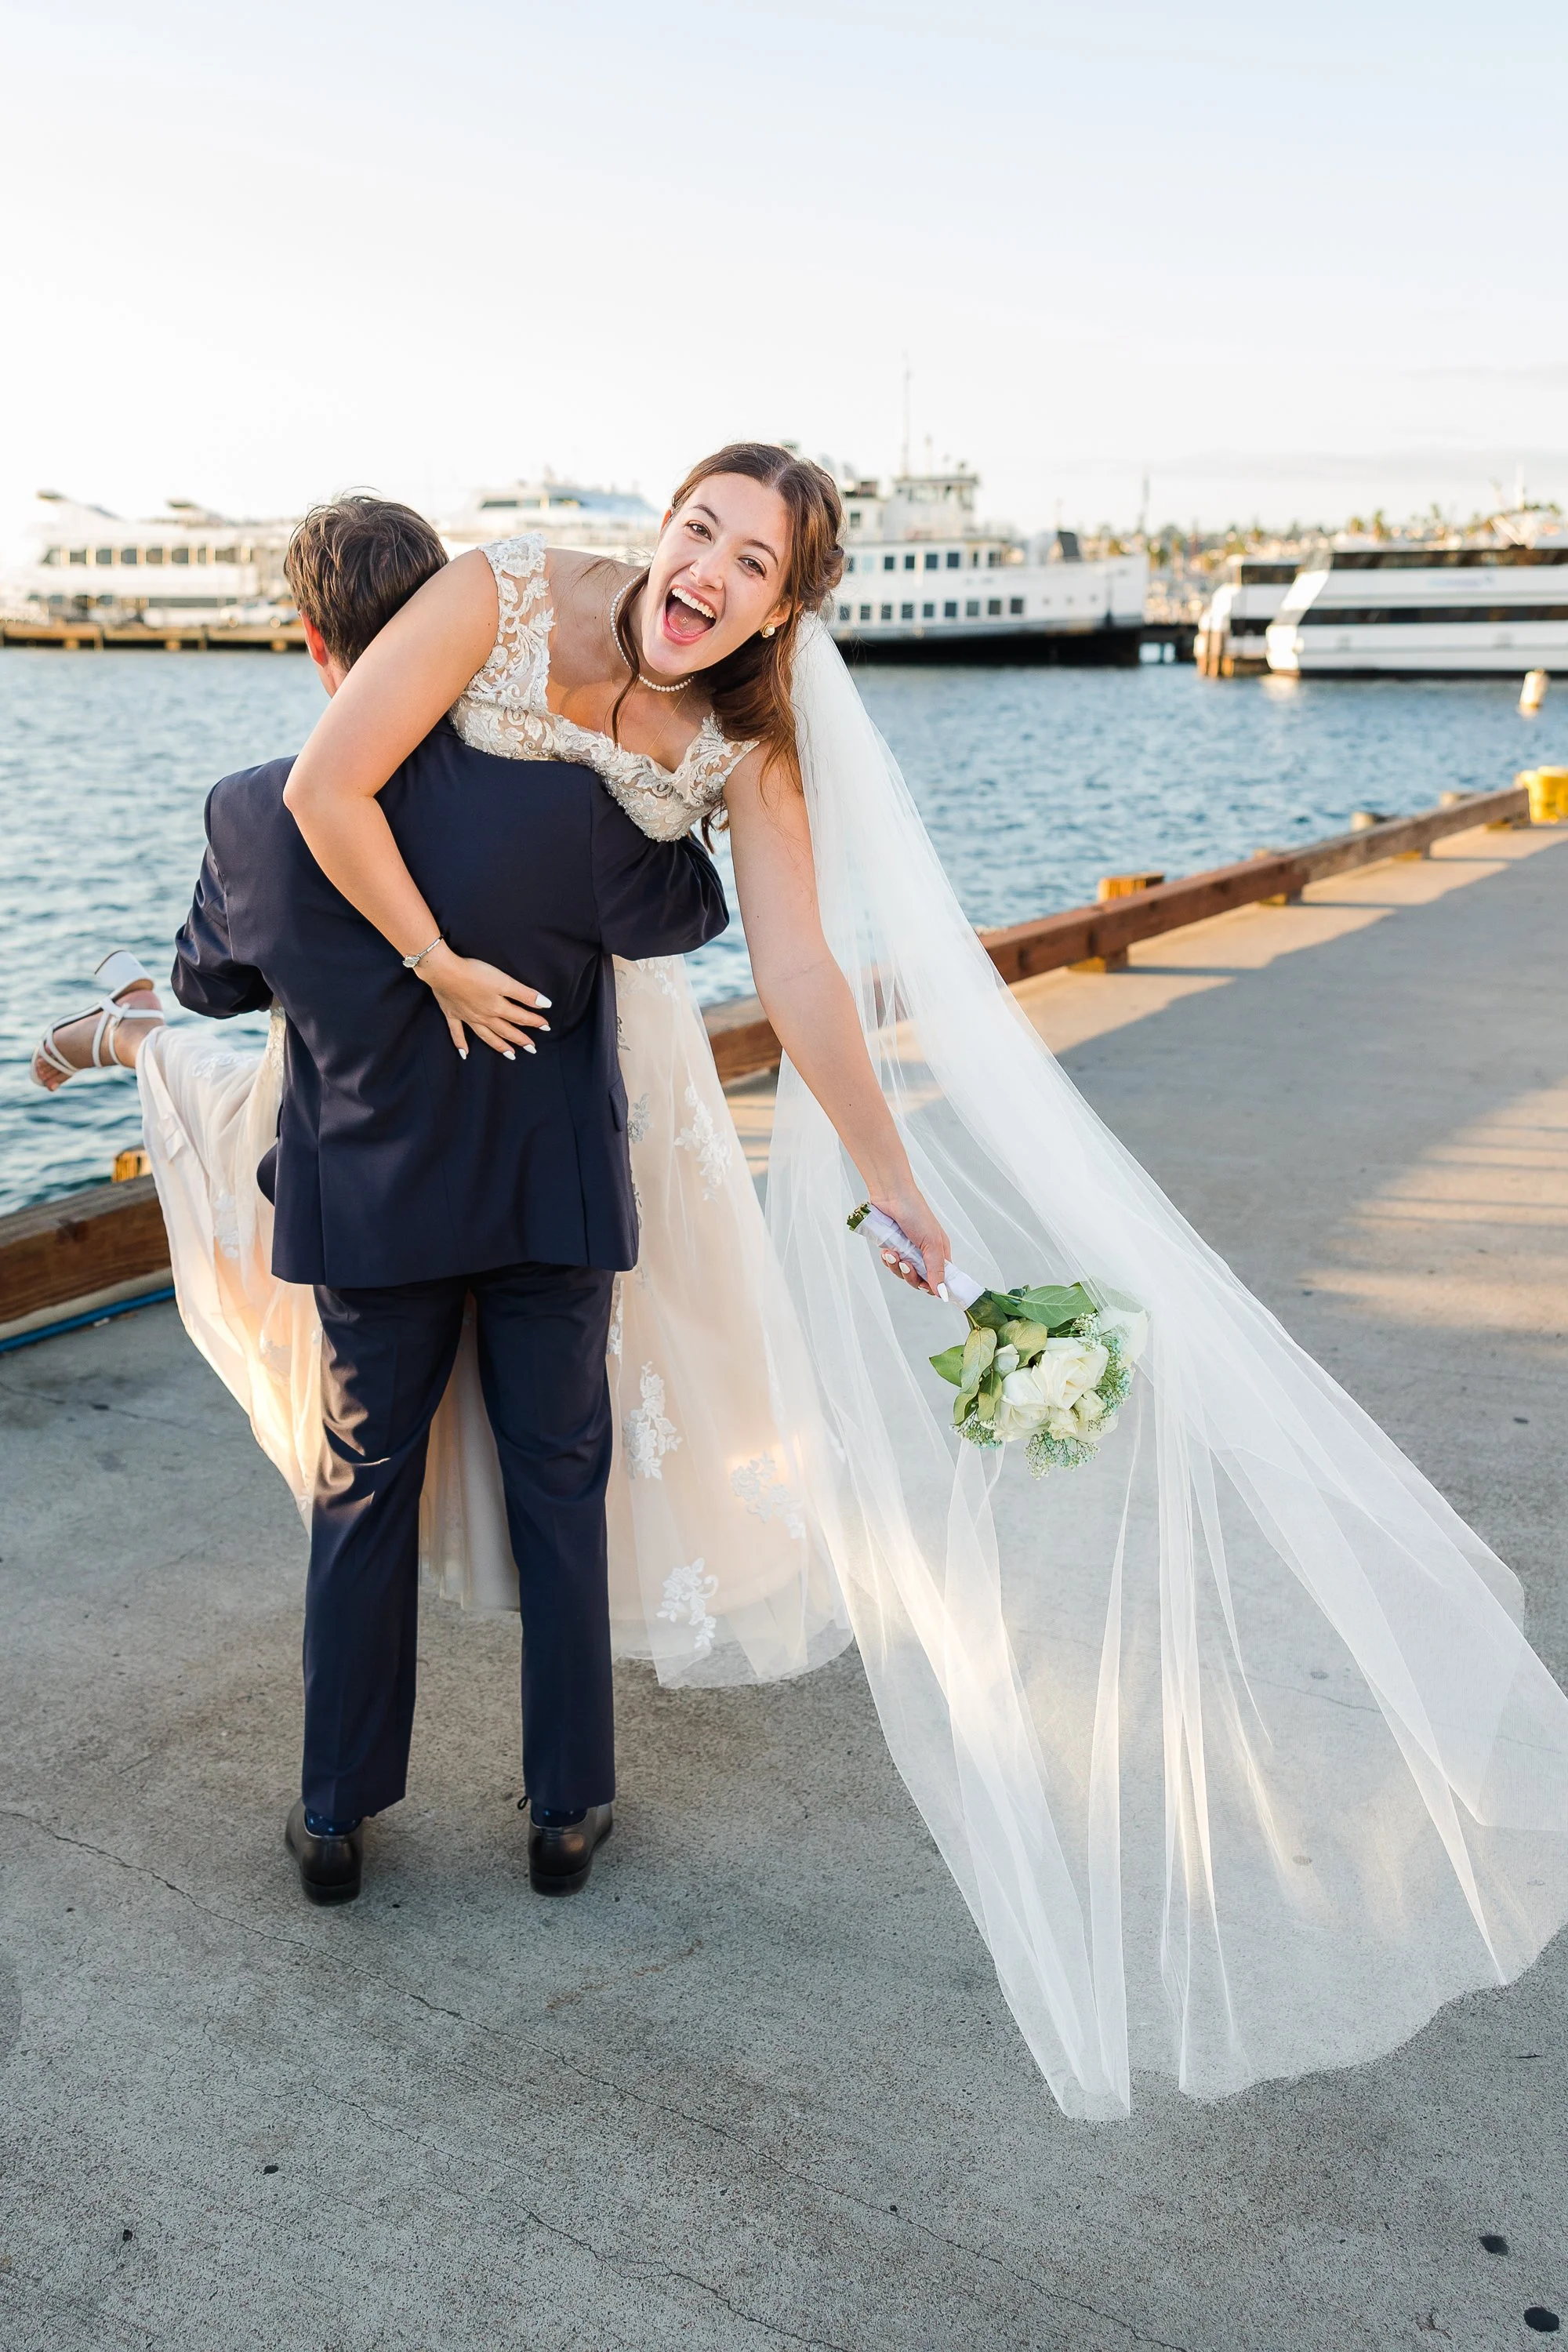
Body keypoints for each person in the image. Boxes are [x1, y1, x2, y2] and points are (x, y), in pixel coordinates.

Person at [36, 452, 1568, 2121]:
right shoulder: (494, 588)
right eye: (699, 525)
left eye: (751, 562)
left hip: (529, 1160)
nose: (707, 568)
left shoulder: (747, 754)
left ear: (783, 604)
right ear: (665, 521)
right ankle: (341, 1811)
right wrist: (440, 967)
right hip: (429, 1141)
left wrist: (897, 1186)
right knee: (403, 1485)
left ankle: (553, 1806)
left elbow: (801, 972)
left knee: (511, 1479)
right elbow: (332, 787)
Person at [37, 495, 730, 1906]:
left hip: (371, 1216)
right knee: (560, 1490)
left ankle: (338, 1818)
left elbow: (212, 985)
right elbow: (691, 914)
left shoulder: (253, 810)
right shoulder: (565, 798)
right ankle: (566, 1815)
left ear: (312, 645)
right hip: (549, 1209)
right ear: (448, 624)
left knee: (360, 1499)